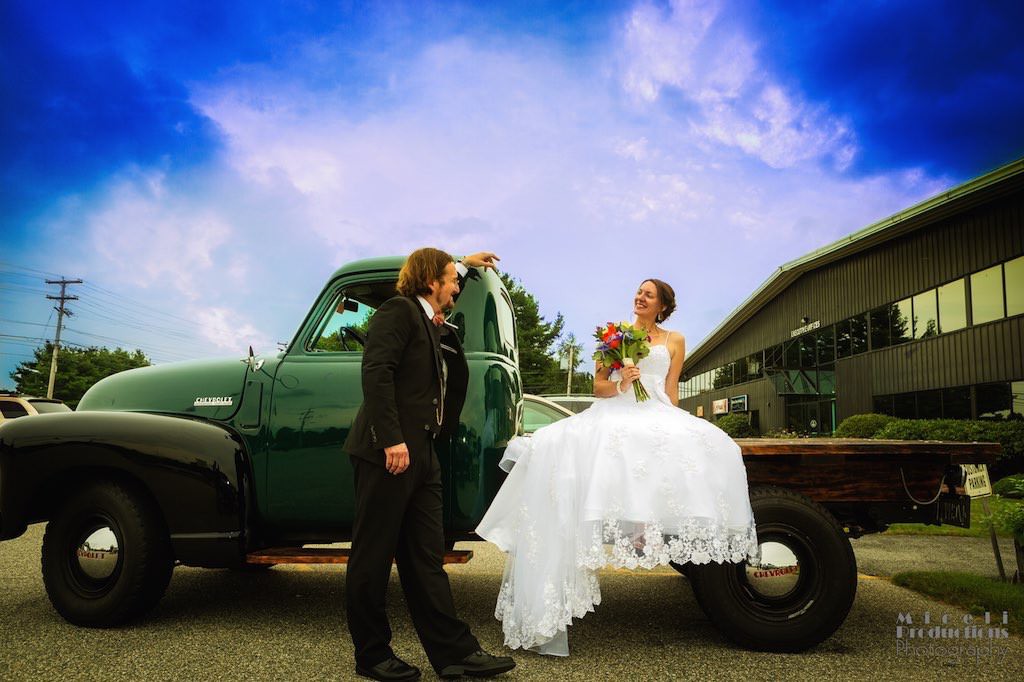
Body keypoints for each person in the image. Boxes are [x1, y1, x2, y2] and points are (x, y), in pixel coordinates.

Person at [476, 278, 759, 656]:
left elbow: (671, 390)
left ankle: (653, 524)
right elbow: (598, 388)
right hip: (618, 407)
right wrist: (623, 382)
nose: (640, 297)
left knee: (709, 444)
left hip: (655, 409)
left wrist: (682, 424)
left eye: (648, 294)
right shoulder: (614, 336)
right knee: (597, 445)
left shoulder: (674, 339)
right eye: (638, 292)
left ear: (662, 304)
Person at [344, 248, 516, 681]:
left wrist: (464, 261)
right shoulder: (397, 311)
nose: (456, 285)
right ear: (429, 281)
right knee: (373, 557)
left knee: (425, 559)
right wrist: (391, 439)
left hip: (423, 452)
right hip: (389, 453)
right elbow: (376, 372)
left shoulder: (432, 320)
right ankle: (372, 656)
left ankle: (454, 654)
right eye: (451, 279)